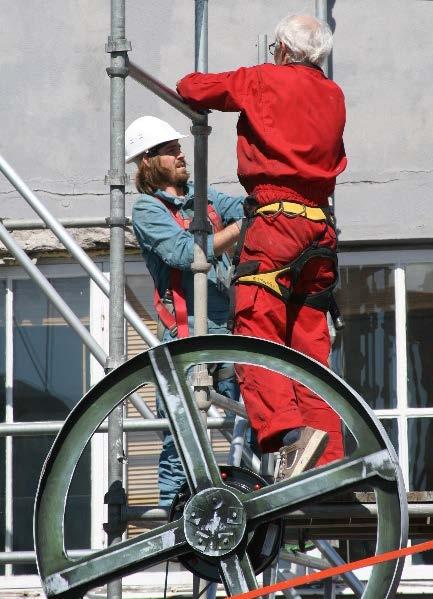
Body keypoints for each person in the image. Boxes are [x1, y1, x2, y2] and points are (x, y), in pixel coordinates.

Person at [177, 14, 347, 480]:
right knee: (309, 344)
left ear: (284, 50)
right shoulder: (334, 95)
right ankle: (328, 462)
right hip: (320, 230)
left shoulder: (263, 80)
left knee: (257, 330)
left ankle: (290, 437)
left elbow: (193, 88)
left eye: (275, 48)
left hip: (277, 222)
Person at [126, 115, 244, 505]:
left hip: (226, 331)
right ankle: (175, 525)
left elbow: (244, 205)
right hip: (186, 337)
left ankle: (253, 501)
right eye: (170, 150)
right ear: (147, 161)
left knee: (249, 424)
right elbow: (183, 254)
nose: (181, 154)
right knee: (183, 438)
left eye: (179, 147)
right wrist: (238, 230)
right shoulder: (147, 209)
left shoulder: (201, 195)